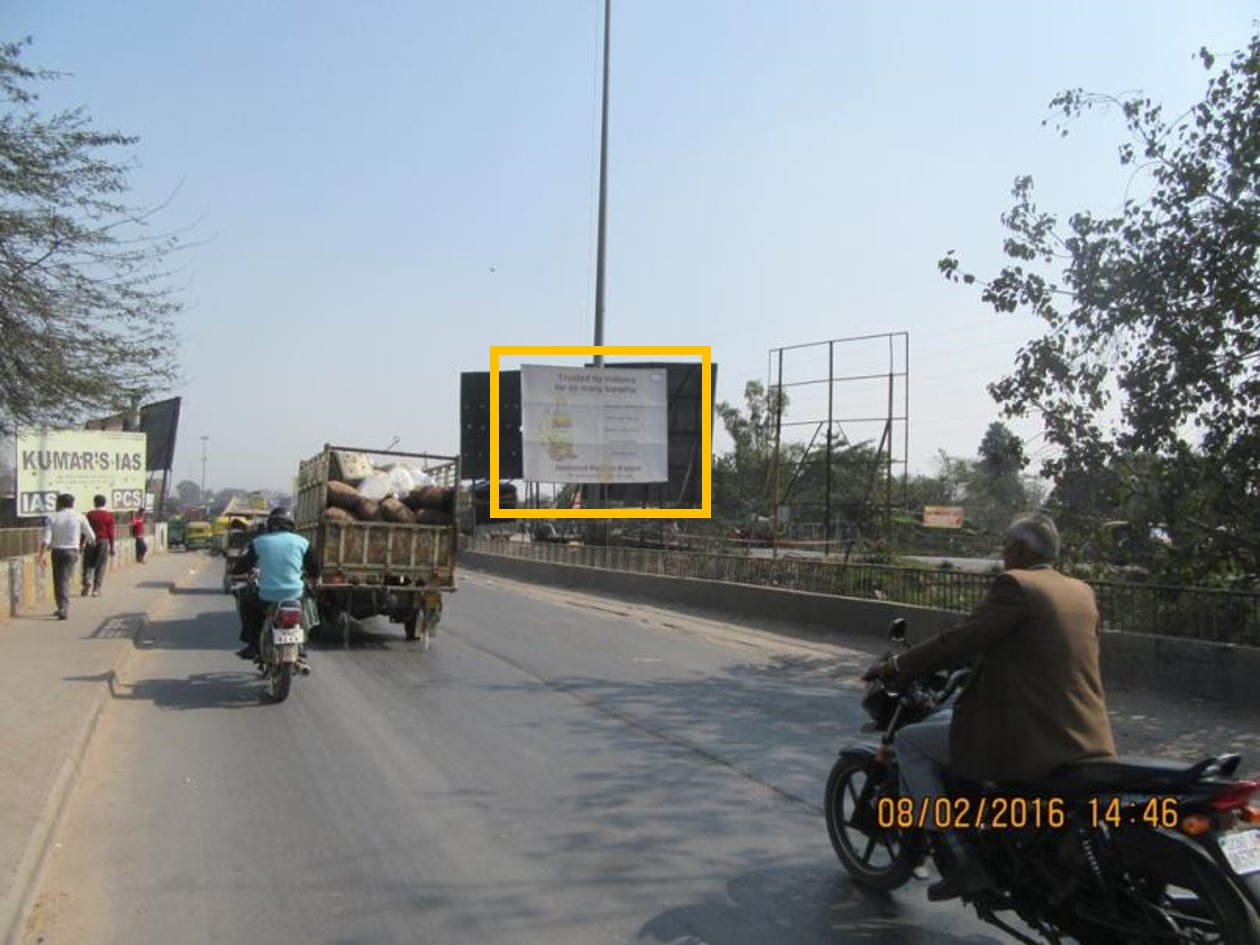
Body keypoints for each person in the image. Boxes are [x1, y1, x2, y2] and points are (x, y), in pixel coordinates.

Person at [863, 512, 1116, 901]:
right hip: (1085, 734)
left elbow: (959, 640)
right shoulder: (1080, 590)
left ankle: (958, 854)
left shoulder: (1017, 585)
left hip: (1029, 736)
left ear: (1017, 548)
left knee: (913, 742)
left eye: (1004, 546)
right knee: (949, 721)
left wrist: (897, 666)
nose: (1002, 553)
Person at [231, 507, 320, 660]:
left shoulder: (259, 541)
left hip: (267, 595)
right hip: (295, 594)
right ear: (291, 525)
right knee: (308, 603)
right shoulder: (303, 542)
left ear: (270, 524)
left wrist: (236, 573)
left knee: (245, 600)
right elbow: (315, 569)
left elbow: (243, 566)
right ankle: (301, 644)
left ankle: (254, 645)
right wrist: (310, 576)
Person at [37, 494, 96, 620]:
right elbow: (91, 535)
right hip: (72, 551)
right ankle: (61, 606)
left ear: (59, 503)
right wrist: (86, 544)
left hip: (57, 551)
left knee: (58, 579)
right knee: (65, 578)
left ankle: (62, 607)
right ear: (72, 503)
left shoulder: (53, 517)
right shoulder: (79, 516)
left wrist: (41, 554)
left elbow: (46, 538)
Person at [82, 494, 117, 597]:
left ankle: (88, 579)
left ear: (94, 503)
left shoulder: (89, 515)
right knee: (100, 565)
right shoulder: (108, 516)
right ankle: (96, 589)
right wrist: (112, 547)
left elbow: (84, 530)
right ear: (104, 503)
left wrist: (81, 543)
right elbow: (111, 533)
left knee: (88, 563)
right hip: (103, 541)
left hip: (90, 541)